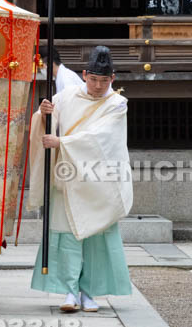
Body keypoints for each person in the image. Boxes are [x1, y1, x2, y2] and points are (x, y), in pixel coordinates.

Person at [28, 45, 132, 313]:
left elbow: (102, 139)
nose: (98, 86)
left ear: (113, 79)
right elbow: (48, 121)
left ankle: (90, 292)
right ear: (84, 74)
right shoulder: (65, 96)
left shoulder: (117, 104)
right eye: (93, 79)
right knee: (67, 236)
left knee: (95, 237)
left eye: (104, 80)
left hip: (98, 182)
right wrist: (44, 113)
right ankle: (69, 291)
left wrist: (61, 141)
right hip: (67, 176)